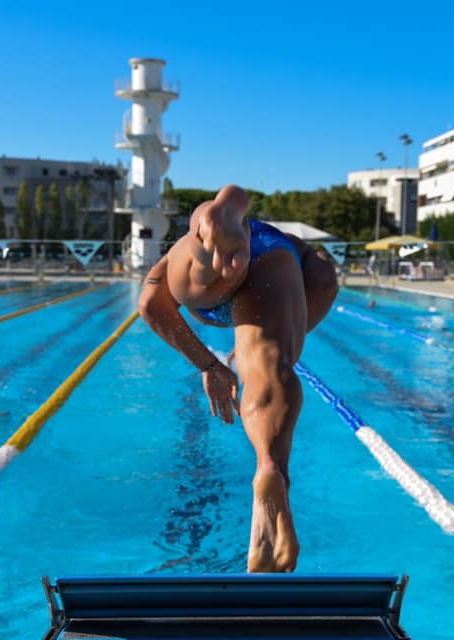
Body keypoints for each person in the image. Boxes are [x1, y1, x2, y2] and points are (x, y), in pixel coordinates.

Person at [138, 185, 339, 573]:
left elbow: (151, 304)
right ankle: (270, 466)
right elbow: (318, 285)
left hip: (231, 267)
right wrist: (259, 350)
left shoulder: (167, 258)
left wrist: (210, 365)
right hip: (293, 265)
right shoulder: (295, 252)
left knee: (199, 273)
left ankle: (206, 237)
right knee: (271, 365)